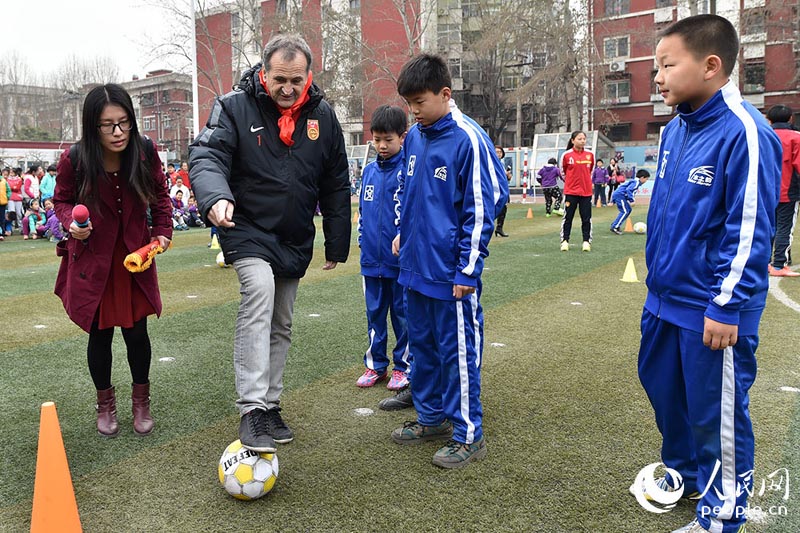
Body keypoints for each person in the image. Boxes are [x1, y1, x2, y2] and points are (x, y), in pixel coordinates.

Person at [632, 15, 781, 533]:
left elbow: (748, 230)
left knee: (715, 415)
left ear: (711, 65)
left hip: (712, 307)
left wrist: (725, 304)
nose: (658, 77)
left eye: (667, 65)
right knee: (663, 390)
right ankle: (685, 474)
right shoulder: (675, 130)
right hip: (664, 299)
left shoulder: (745, 130)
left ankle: (723, 515)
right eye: (656, 67)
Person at [189, 33, 351, 453]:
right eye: (280, 78)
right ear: (264, 72)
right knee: (258, 292)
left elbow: (336, 181)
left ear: (308, 76)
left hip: (294, 234)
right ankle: (251, 410)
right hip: (246, 228)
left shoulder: (324, 116)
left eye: (296, 80)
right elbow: (206, 156)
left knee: (282, 321)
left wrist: (336, 243)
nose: (288, 88)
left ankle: (271, 404)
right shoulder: (232, 107)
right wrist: (216, 197)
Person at [390, 53, 508, 469]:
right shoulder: (417, 136)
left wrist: (467, 269)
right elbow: (409, 189)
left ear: (445, 94)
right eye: (408, 103)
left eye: (419, 102)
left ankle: (468, 434)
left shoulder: (468, 138)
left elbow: (486, 205)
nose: (413, 111)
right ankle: (431, 417)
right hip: (415, 268)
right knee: (421, 348)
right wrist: (404, 231)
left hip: (450, 274)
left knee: (456, 353)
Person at [53, 83, 173, 438]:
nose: (118, 132)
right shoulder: (74, 159)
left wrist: (163, 230)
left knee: (138, 334)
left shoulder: (145, 150)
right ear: (93, 126)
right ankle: (104, 405)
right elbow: (60, 202)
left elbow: (160, 196)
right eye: (108, 125)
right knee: (100, 335)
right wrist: (71, 226)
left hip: (135, 259)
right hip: (93, 262)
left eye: (124, 122)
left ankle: (141, 402)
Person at [356, 105, 410, 391]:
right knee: (374, 314)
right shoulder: (368, 172)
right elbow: (363, 214)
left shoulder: (408, 171)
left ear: (402, 137)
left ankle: (403, 367)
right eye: (377, 140)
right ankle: (376, 365)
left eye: (388, 139)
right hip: (371, 260)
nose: (382, 145)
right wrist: (363, 242)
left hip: (400, 263)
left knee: (403, 316)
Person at [765, 104, 800, 277]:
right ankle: (779, 264)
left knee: (767, 227)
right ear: (790, 118)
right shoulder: (796, 137)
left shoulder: (762, 134)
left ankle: (764, 262)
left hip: (763, 190)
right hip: (787, 190)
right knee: (784, 228)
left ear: (769, 119)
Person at [560, 131, 594, 252]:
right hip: (571, 192)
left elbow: (591, 171)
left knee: (586, 218)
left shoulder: (590, 154)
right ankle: (565, 241)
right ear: (573, 140)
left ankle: (586, 241)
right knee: (568, 217)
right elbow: (563, 172)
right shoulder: (566, 155)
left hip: (586, 192)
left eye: (584, 139)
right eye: (579, 139)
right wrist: (571, 183)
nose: (582, 141)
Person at [610, 169, 649, 234]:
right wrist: (632, 200)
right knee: (625, 211)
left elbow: (623, 189)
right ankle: (615, 226)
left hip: (619, 195)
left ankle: (616, 224)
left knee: (628, 210)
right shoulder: (636, 182)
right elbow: (628, 190)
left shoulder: (636, 182)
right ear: (642, 178)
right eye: (646, 179)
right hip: (620, 196)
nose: (646, 181)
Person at [493, 146, 510, 237]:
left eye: (500, 152)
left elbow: (505, 179)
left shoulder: (501, 164)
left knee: (503, 209)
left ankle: (499, 228)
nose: (498, 154)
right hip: (494, 190)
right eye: (496, 152)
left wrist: (507, 176)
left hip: (503, 190)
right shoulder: (491, 163)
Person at [0, 169, 9, 241]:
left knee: (2, 218)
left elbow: (8, 190)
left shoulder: (3, 181)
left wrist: (7, 197)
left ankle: (2, 232)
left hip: (2, 202)